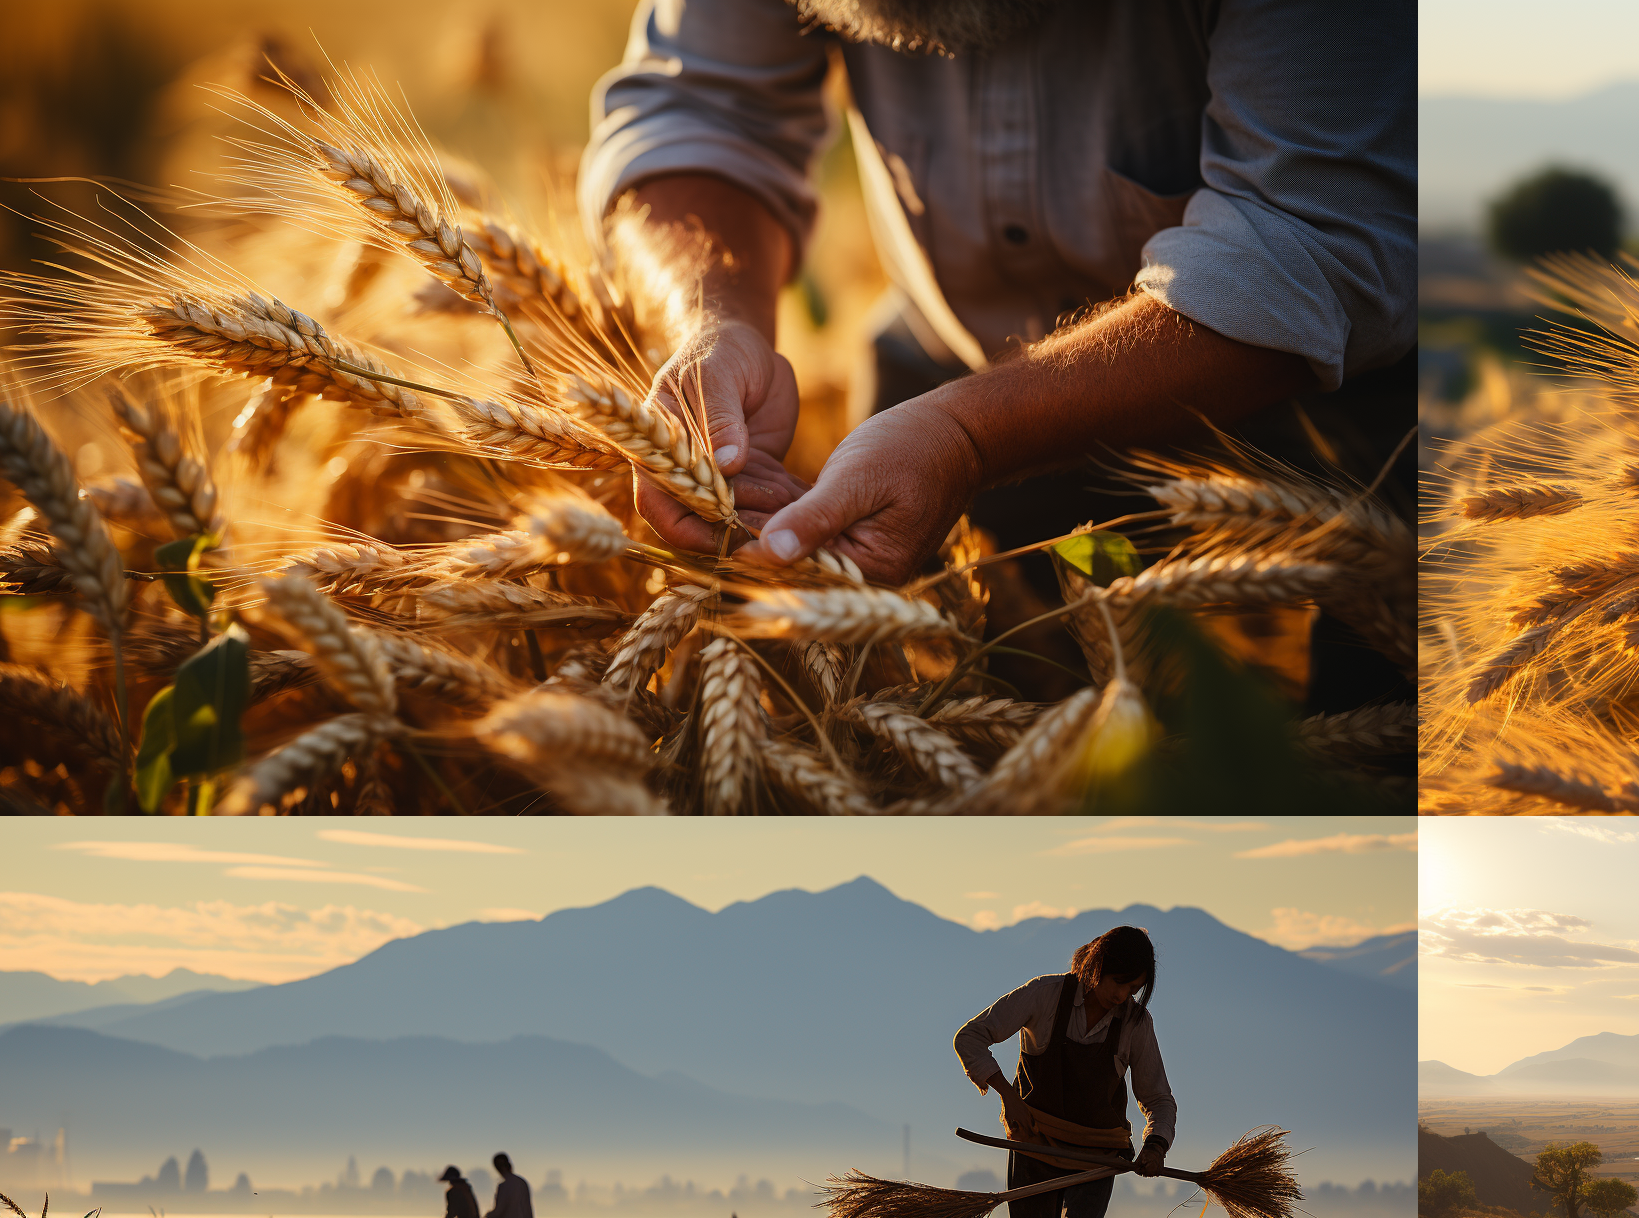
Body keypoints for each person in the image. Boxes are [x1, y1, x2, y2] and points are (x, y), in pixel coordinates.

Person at [577, 0, 1416, 707]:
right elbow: (701, 112)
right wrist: (708, 318)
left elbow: (1314, 235)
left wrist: (970, 436)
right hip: (936, 376)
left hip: (1356, 418)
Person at [952, 925, 1176, 1218]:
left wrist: (1155, 1146)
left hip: (1097, 1157)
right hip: (1035, 1145)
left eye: (1133, 989)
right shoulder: (1045, 995)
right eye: (1118, 982)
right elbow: (970, 1037)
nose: (1122, 995)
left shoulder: (1136, 1023)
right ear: (1097, 966)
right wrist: (1008, 1096)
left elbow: (1157, 1098)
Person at [482, 1152, 537, 1218]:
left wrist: (489, 1216)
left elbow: (500, 1209)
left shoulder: (504, 1185)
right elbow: (526, 1205)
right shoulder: (521, 1182)